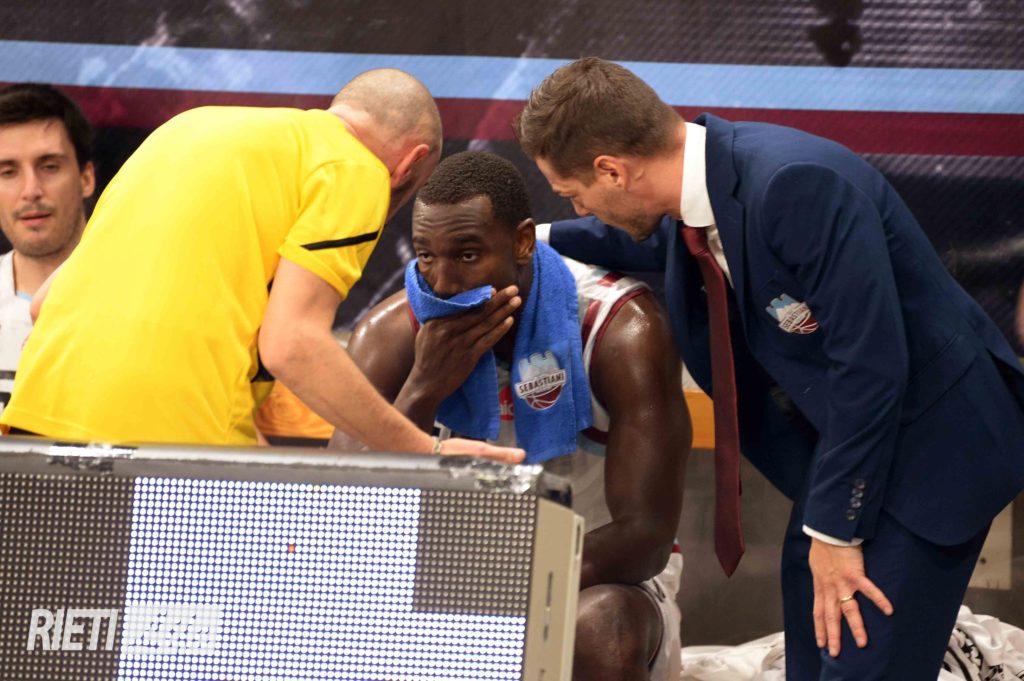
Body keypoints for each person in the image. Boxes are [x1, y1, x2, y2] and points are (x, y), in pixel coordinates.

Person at [514, 57, 1024, 680]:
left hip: (934, 452)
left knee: (859, 669)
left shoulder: (794, 184)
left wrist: (836, 534)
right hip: (854, 452)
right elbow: (642, 239)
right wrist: (527, 239)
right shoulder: (704, 189)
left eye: (575, 194)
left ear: (612, 170)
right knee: (810, 661)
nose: (580, 207)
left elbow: (871, 366)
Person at [0, 69, 522, 464]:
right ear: (410, 164)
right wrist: (425, 450)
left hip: (33, 429)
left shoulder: (185, 129)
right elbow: (291, 345)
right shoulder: (354, 168)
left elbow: (46, 303)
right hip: (166, 449)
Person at [328, 151, 690, 680]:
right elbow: (340, 514)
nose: (443, 283)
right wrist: (423, 389)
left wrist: (489, 598)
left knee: (600, 626)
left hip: (593, 575)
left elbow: (645, 537)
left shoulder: (618, 325)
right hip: (437, 578)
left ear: (522, 242)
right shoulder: (392, 332)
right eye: (426, 256)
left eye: (467, 254)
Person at [0, 84, 94, 415]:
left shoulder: (149, 297)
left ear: (86, 178)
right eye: (8, 172)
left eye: (49, 166)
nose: (31, 190)